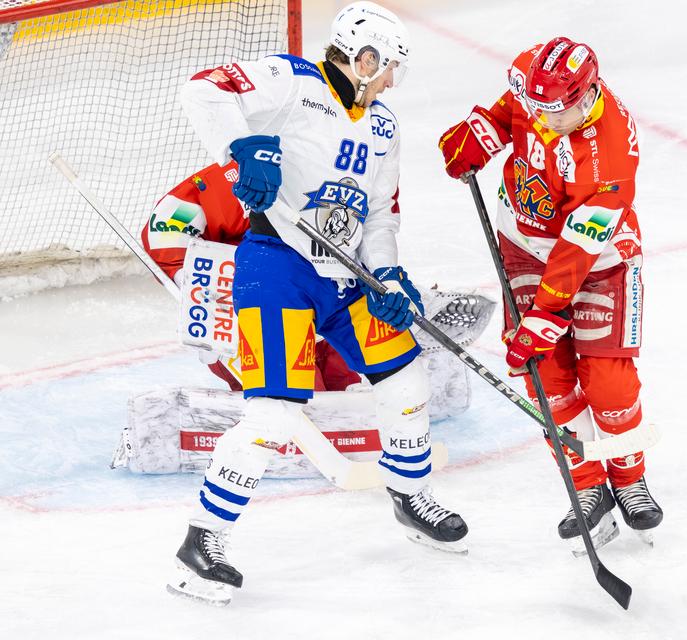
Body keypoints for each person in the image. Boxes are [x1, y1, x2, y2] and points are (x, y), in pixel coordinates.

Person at [168, 1, 467, 605]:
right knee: (275, 413)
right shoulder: (292, 80)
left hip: (345, 275)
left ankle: (410, 495)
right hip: (276, 267)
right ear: (366, 58)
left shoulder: (384, 127)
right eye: (389, 68)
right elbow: (202, 88)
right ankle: (203, 541)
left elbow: (380, 214)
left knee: (405, 379)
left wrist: (388, 275)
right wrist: (240, 147)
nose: (391, 82)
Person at [438, 37, 662, 553]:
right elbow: (507, 111)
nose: (542, 119)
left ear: (588, 96)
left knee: (607, 382)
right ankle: (587, 487)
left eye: (555, 113)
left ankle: (629, 478)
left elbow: (580, 246)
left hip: (600, 260)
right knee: (546, 379)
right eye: (536, 108)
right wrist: (480, 136)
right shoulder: (536, 80)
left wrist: (545, 314)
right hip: (522, 245)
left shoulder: (609, 153)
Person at [141, 162, 361, 392]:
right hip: (249, 319)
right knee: (299, 399)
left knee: (346, 393)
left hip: (315, 312)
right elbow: (165, 227)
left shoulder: (350, 177)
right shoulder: (248, 176)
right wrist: (204, 292)